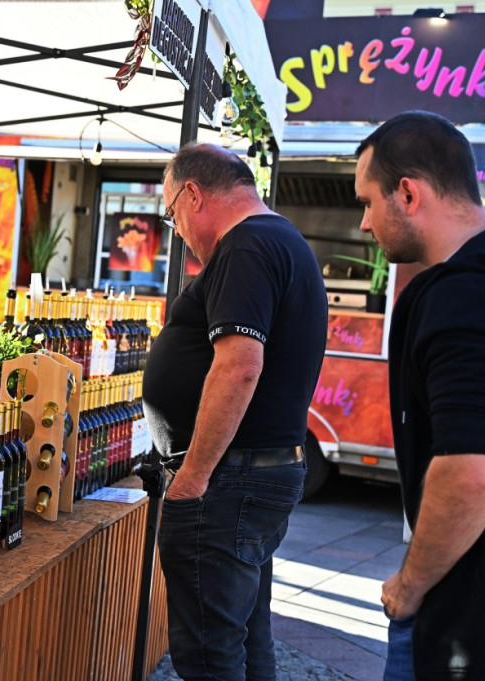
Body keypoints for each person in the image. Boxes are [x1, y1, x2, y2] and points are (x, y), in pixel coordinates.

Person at [142, 143, 327, 681]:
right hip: (251, 473)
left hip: (227, 480)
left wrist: (193, 476)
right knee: (245, 637)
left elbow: (239, 366)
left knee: (209, 652)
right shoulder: (279, 238)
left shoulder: (246, 246)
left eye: (172, 212)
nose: (175, 228)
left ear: (194, 194)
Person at [356, 111, 485, 680]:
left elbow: (471, 469)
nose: (366, 224)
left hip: (468, 627)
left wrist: (409, 586)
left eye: (368, 201)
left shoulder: (464, 298)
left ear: (408, 193)